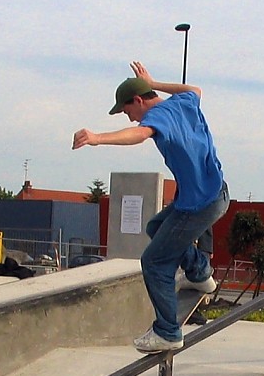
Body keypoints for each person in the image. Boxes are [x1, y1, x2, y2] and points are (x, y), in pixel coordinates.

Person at [72, 61, 229, 353]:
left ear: (138, 100)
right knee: (156, 227)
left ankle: (168, 332)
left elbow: (139, 135)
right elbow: (195, 88)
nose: (131, 119)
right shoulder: (182, 102)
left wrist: (97, 138)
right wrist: (154, 82)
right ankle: (200, 275)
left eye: (128, 111)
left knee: (154, 262)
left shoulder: (158, 117)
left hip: (198, 206)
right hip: (216, 193)